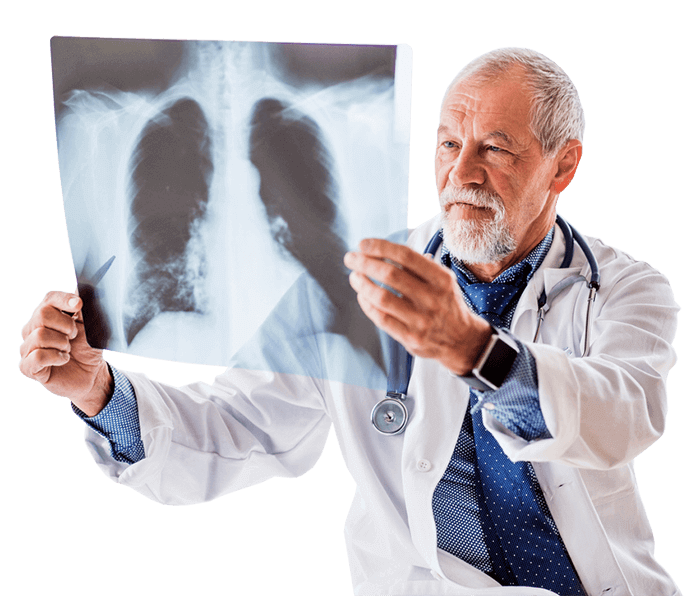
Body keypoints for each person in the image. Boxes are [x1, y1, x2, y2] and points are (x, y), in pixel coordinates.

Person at [19, 47, 681, 595]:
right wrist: (98, 392)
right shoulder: (353, 279)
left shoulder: (624, 288)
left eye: (496, 149)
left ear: (563, 164)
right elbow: (238, 426)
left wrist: (475, 350)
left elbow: (626, 413)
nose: (461, 173)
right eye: (449, 142)